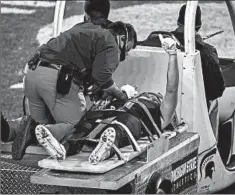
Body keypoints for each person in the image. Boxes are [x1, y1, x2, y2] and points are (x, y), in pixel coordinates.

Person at [35, 34, 180, 164]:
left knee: (121, 127)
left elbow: (172, 89)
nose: (150, 95)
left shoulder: (160, 115)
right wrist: (117, 95)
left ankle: (104, 150)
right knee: (84, 126)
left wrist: (172, 55)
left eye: (154, 96)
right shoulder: (131, 99)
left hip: (130, 119)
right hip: (106, 114)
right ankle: (63, 148)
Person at [11, 20, 138, 160]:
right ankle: (38, 131)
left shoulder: (85, 28)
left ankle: (14, 129)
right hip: (55, 77)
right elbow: (102, 77)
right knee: (76, 126)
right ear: (122, 38)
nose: (124, 54)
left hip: (31, 72)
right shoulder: (111, 43)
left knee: (42, 126)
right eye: (126, 49)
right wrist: (120, 94)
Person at [171, 4, 225, 138]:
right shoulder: (206, 51)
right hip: (190, 109)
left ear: (178, 21)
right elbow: (216, 90)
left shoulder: (161, 42)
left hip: (164, 101)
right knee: (215, 102)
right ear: (199, 25)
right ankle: (210, 144)